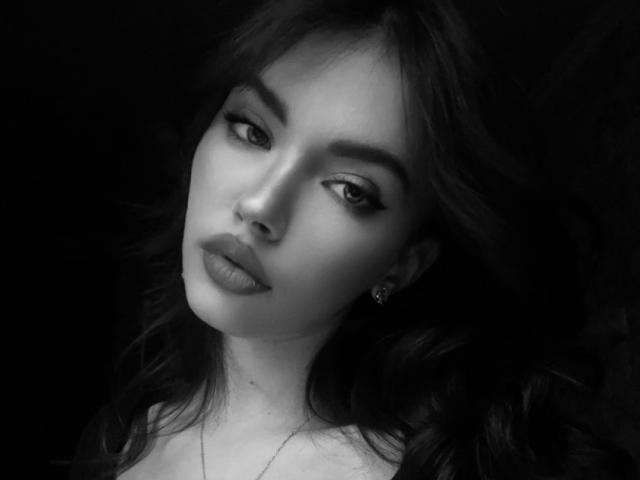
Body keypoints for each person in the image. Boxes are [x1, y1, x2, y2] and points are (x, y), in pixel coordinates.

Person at [71, 0, 638, 479]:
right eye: (252, 130)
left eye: (349, 190)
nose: (261, 206)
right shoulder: (129, 435)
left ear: (403, 263)